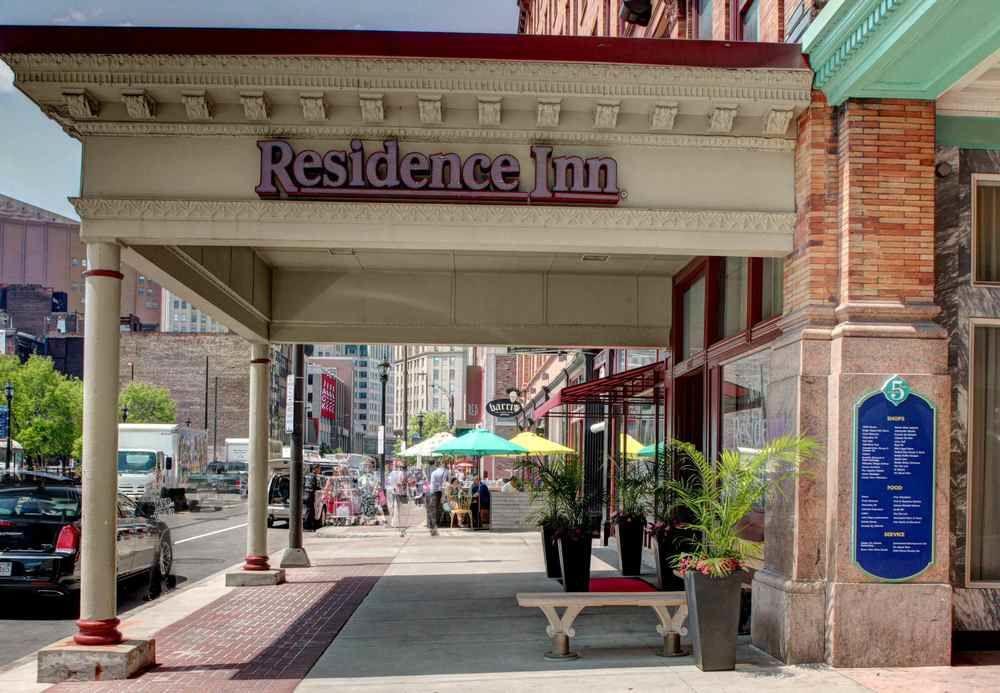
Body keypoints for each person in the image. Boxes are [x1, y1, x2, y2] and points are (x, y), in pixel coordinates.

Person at [427, 460, 449, 535]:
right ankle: (436, 525)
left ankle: (431, 525)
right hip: (440, 491)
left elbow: (432, 483)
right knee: (439, 509)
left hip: (432, 491)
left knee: (433, 509)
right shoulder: (446, 471)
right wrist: (443, 495)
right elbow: (445, 483)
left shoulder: (434, 472)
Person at [386, 462, 406, 529]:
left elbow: (388, 482)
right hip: (397, 491)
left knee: (391, 506)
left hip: (390, 490)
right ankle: (395, 522)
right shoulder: (400, 473)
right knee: (396, 506)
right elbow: (402, 481)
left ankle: (392, 522)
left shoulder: (391, 473)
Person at [303, 464, 320, 531]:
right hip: (310, 495)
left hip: (305, 494)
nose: (319, 470)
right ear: (315, 468)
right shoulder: (313, 476)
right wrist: (320, 488)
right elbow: (314, 486)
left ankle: (309, 525)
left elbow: (304, 484)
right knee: (309, 511)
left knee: (309, 510)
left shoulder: (307, 475)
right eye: (319, 469)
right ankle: (306, 526)